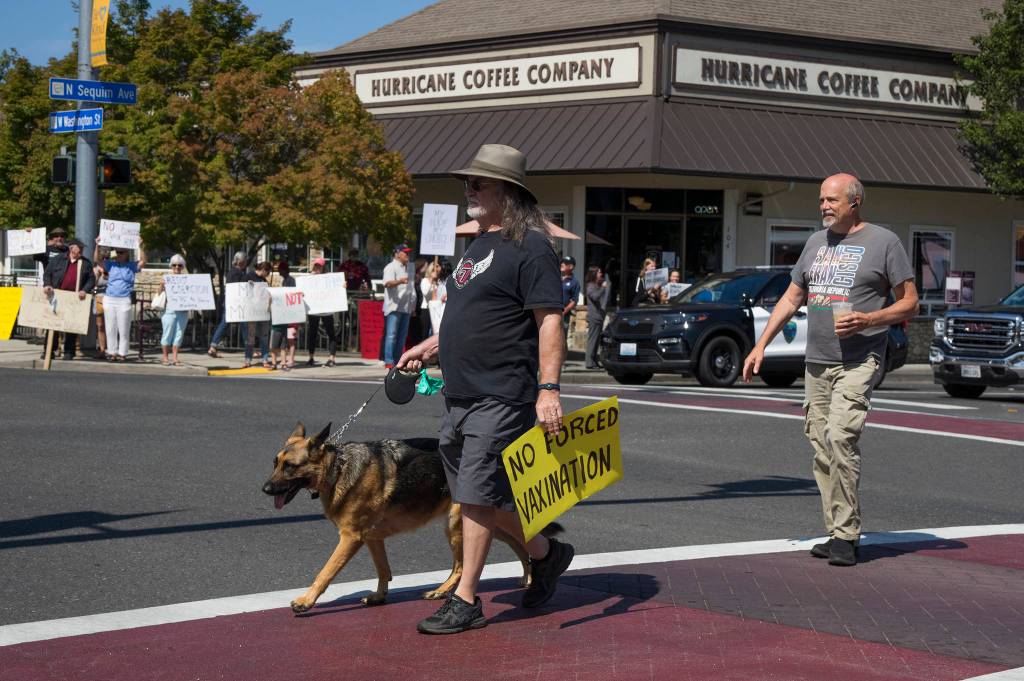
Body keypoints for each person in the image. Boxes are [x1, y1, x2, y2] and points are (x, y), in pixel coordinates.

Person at [397, 143, 573, 635]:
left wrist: (549, 389)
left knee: (474, 496)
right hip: (460, 392)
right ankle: (547, 553)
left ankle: (466, 599)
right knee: (484, 498)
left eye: (479, 183)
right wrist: (432, 344)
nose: (469, 189)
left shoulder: (532, 246)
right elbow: (469, 313)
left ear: (508, 192)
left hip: (503, 393)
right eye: (468, 182)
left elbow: (549, 322)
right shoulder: (477, 244)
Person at [742, 173, 918, 567]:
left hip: (859, 359)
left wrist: (868, 318)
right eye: (821, 199)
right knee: (821, 446)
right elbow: (792, 297)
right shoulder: (815, 243)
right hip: (816, 362)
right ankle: (837, 530)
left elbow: (911, 303)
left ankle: (848, 535)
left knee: (841, 437)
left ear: (854, 202)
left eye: (831, 200)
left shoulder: (883, 242)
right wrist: (761, 345)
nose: (823, 206)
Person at [94, 236, 146, 362]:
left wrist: (140, 246)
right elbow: (97, 260)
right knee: (110, 327)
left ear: (126, 254)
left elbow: (143, 261)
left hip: (124, 299)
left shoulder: (131, 266)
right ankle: (112, 352)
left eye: (121, 252)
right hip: (110, 298)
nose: (118, 254)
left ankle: (122, 353)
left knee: (123, 328)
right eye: (117, 252)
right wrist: (97, 245)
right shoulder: (111, 265)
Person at [42, 238, 96, 360]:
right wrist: (47, 285)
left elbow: (91, 279)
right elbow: (47, 274)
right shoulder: (58, 260)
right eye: (80, 248)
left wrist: (85, 290)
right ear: (72, 248)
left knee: (71, 326)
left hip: (74, 299)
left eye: (82, 248)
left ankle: (69, 351)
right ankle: (49, 351)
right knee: (52, 325)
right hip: (57, 296)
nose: (82, 250)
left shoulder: (86, 263)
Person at [208, 251, 249, 357]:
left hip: (230, 301)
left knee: (225, 323)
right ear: (240, 262)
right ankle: (249, 348)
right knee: (244, 325)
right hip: (236, 302)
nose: (246, 263)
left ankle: (213, 346)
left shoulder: (232, 272)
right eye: (245, 261)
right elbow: (238, 288)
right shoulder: (237, 273)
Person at [381, 244, 415, 369]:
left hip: (405, 306)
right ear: (397, 254)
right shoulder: (391, 267)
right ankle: (389, 361)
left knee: (402, 336)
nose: (407, 255)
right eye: (405, 252)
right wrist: (400, 281)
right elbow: (387, 283)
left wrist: (412, 305)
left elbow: (410, 288)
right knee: (392, 335)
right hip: (394, 306)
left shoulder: (408, 267)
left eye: (408, 252)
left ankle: (398, 360)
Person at [305, 257, 339, 367]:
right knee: (312, 333)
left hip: (326, 310)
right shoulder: (310, 278)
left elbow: (336, 288)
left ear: (323, 267)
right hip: (314, 309)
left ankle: (332, 357)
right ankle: (311, 357)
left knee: (331, 333)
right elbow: (304, 288)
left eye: (319, 266)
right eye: (316, 265)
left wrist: (342, 287)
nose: (317, 268)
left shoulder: (329, 278)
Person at [159, 254, 189, 366]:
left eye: (179, 265)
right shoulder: (166, 278)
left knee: (179, 334)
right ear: (171, 266)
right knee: (167, 333)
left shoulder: (187, 279)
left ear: (183, 266)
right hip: (169, 310)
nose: (177, 267)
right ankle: (165, 357)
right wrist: (162, 285)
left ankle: (175, 358)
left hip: (182, 311)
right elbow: (159, 293)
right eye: (174, 265)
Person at [246, 261, 273, 369]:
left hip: (263, 311)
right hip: (252, 311)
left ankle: (265, 359)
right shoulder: (249, 276)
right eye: (268, 272)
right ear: (263, 270)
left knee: (264, 336)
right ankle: (247, 359)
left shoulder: (264, 281)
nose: (268, 275)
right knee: (250, 336)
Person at [584, 265, 610, 369]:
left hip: (598, 316)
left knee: (596, 341)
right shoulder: (590, 285)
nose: (601, 274)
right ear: (594, 274)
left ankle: (594, 361)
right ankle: (589, 362)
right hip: (594, 317)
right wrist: (603, 288)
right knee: (593, 340)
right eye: (599, 272)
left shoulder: (596, 285)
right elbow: (595, 297)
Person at [92, 247, 110, 359]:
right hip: (99, 296)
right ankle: (102, 349)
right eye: (103, 258)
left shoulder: (113, 268)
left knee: (111, 325)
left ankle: (111, 349)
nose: (105, 260)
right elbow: (92, 284)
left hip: (110, 297)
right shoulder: (96, 268)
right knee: (100, 325)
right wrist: (98, 276)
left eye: (107, 258)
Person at [559, 255, 580, 346]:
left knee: (561, 339)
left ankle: (561, 359)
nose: (562, 264)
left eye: (565, 263)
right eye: (562, 262)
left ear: (571, 267)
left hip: (564, 315)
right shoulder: (555, 277)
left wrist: (564, 311)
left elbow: (574, 301)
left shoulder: (574, 282)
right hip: (551, 312)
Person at [418, 260, 440, 337]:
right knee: (425, 332)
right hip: (426, 309)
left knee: (434, 332)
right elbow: (425, 293)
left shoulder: (438, 282)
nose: (436, 272)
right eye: (434, 270)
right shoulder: (425, 280)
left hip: (436, 308)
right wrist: (431, 280)